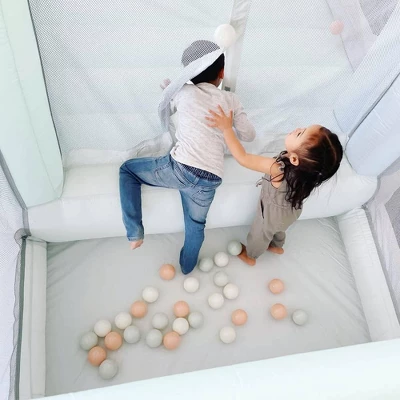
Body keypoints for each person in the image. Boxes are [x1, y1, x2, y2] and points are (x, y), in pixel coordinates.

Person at [119, 41, 255, 274]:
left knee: (128, 171)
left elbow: (168, 97)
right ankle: (187, 267)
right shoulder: (231, 100)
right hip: (211, 178)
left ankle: (134, 232)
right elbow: (249, 135)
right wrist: (229, 122)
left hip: (181, 169)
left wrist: (168, 86)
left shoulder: (184, 91)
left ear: (189, 73)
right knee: (195, 225)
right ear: (222, 73)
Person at [206, 105, 343, 265]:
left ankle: (251, 256)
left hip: (272, 214)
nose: (298, 128)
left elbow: (243, 158)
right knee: (279, 228)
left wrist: (227, 129)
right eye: (303, 128)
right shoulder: (309, 175)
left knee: (261, 232)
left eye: (300, 133)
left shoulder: (277, 169)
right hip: (292, 211)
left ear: (294, 160)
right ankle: (277, 246)